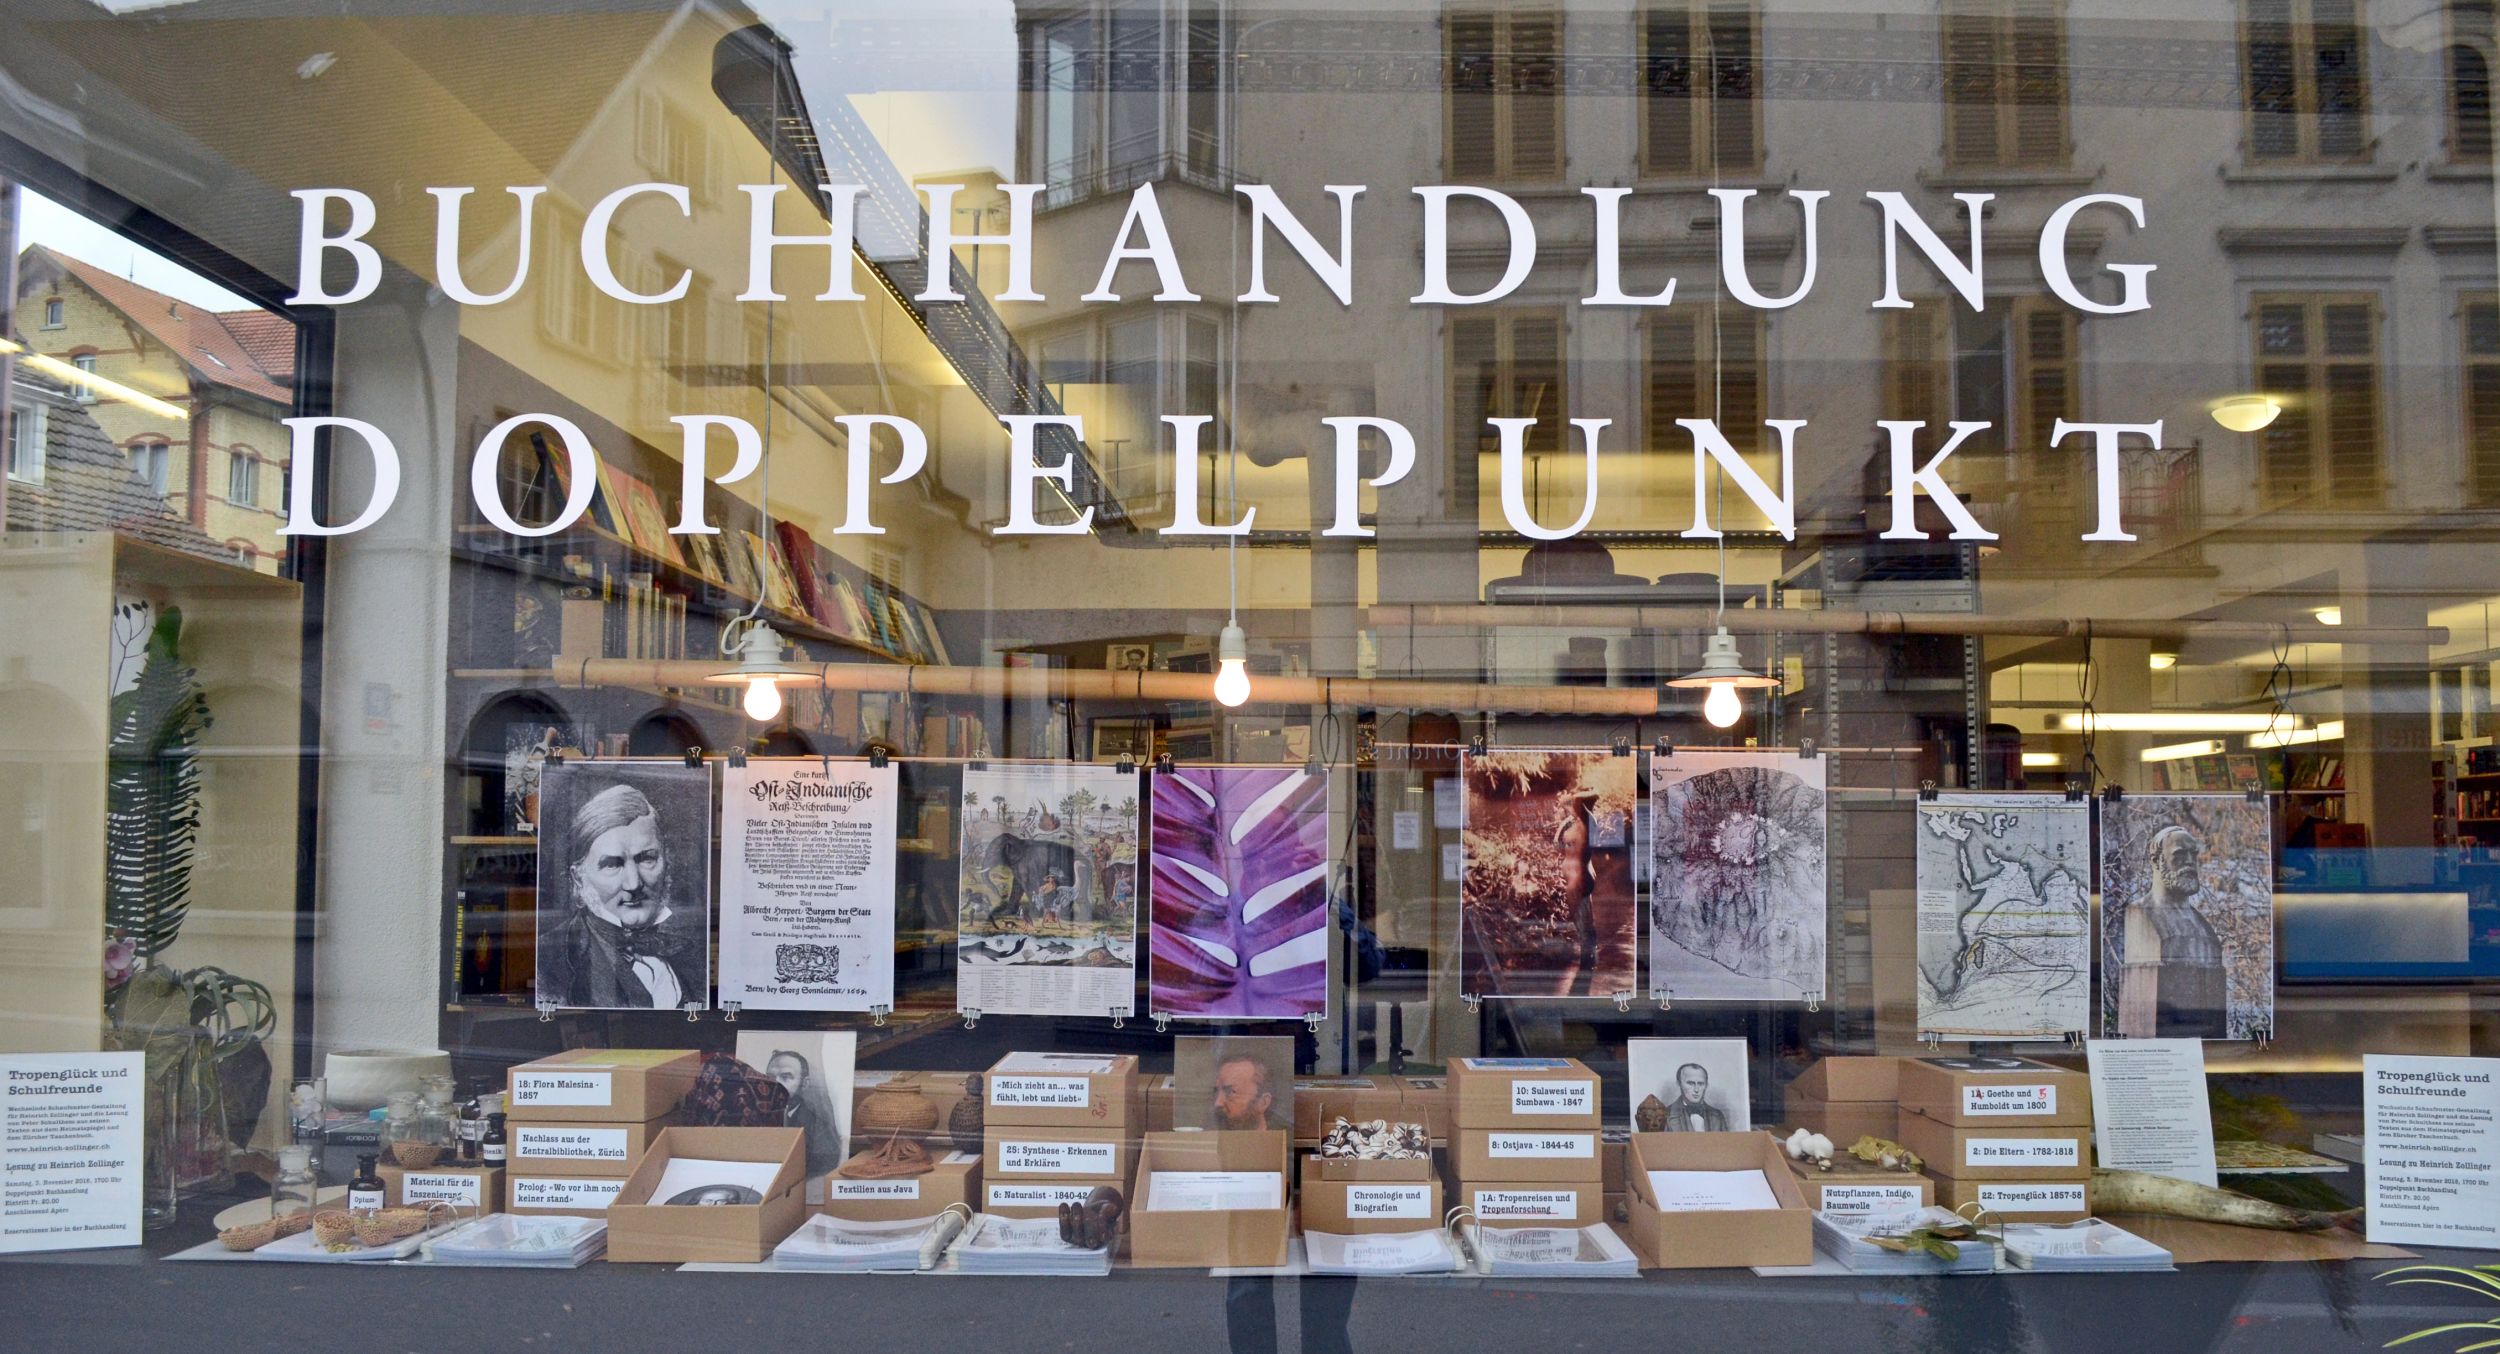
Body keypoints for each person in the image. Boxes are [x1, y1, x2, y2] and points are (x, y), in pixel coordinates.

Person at [537, 781, 704, 1009]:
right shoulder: (547, 961)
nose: (633, 884)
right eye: (612, 864)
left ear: (666, 861)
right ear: (579, 878)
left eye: (647, 858)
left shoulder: (691, 956)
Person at [2117, 825, 2228, 1038]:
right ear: (2156, 861)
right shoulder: (2140, 914)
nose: (2190, 862)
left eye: (2193, 854)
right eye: (2179, 855)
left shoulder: (2204, 928)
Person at [766, 1049, 846, 1178]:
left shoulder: (819, 1128)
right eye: (769, 1077)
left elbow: (823, 1169)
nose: (775, 1083)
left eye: (785, 1077)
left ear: (804, 1083)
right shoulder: (752, 1116)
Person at [1208, 1053, 1280, 1131]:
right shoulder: (1205, 1137)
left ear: (1263, 1103)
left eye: (1230, 1092)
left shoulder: (1283, 1138)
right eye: (1216, 1092)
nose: (1217, 1103)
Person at [1662, 1062, 1728, 1132]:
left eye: (1700, 1083)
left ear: (1706, 1085)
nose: (1696, 1089)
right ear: (1679, 1083)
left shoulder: (1717, 1116)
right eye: (1690, 1083)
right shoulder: (1666, 1115)